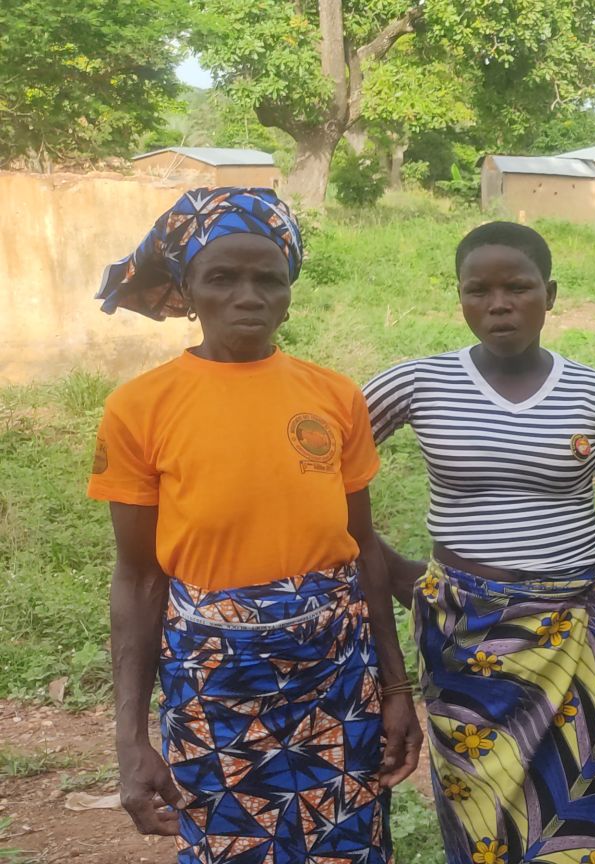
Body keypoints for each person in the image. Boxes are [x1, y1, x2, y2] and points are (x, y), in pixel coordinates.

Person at [89, 188, 421, 862]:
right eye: (222, 277)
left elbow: (363, 549)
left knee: (348, 845)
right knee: (228, 846)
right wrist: (129, 740)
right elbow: (139, 577)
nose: (248, 296)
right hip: (214, 690)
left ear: (289, 293)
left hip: (337, 682)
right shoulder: (139, 408)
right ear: (188, 290)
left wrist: (395, 689)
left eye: (268, 278)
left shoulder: (333, 396)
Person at [361, 221, 595, 863]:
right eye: (479, 290)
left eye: (518, 288)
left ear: (549, 294)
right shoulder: (418, 384)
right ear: (460, 299)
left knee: (588, 804)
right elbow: (320, 468)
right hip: (462, 639)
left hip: (577, 635)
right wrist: (394, 570)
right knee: (482, 814)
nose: (499, 305)